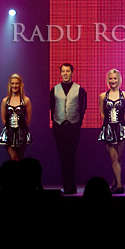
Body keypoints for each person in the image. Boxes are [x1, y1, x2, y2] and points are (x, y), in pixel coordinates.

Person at [50, 63, 88, 195]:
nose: (65, 73)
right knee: (63, 157)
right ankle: (67, 185)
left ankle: (72, 185)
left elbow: (83, 107)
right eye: (63, 71)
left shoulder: (79, 89)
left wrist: (77, 122)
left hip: (73, 126)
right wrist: (56, 122)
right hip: (59, 127)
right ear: (60, 73)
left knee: (71, 156)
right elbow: (52, 107)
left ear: (72, 73)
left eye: (68, 71)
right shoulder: (54, 89)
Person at [99, 69, 125, 194]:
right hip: (108, 129)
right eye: (111, 79)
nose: (113, 81)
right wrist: (108, 126)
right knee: (113, 157)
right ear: (108, 80)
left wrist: (121, 126)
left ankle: (114, 181)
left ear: (119, 80)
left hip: (121, 128)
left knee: (119, 158)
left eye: (115, 79)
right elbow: (102, 113)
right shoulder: (103, 96)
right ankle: (119, 185)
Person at [0, 73, 32, 161]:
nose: (14, 86)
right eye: (12, 83)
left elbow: (28, 118)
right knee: (13, 157)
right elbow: (3, 118)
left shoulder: (26, 100)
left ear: (20, 85)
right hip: (9, 134)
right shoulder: (5, 101)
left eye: (16, 83)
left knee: (19, 159)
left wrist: (23, 130)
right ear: (10, 85)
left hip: (21, 134)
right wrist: (8, 130)